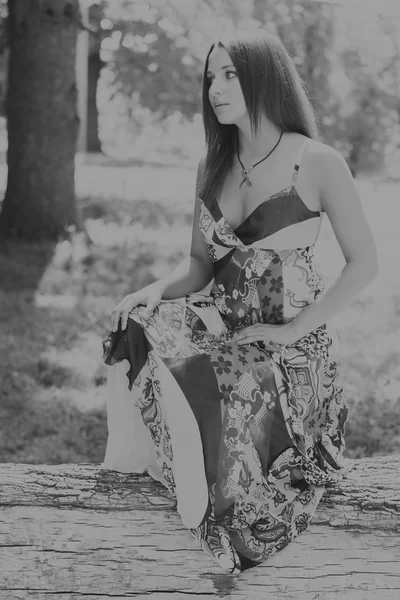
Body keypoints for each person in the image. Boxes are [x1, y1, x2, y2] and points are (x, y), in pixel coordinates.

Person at [101, 30, 378, 574]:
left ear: (264, 77)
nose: (216, 88)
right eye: (210, 77)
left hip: (289, 348)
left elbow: (365, 264)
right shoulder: (213, 166)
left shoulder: (315, 162)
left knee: (202, 373)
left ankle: (212, 512)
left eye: (229, 74)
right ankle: (147, 468)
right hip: (224, 328)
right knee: (134, 327)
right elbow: (199, 267)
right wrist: (151, 292)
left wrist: (290, 331)